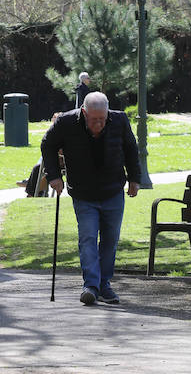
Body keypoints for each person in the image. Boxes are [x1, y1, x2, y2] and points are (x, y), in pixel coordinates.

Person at [41, 91, 141, 305]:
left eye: (103, 119)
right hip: (83, 192)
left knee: (110, 240)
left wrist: (134, 179)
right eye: (94, 119)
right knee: (87, 238)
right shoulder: (66, 122)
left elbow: (131, 149)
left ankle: (104, 284)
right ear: (84, 112)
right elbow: (47, 145)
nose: (99, 123)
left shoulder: (119, 120)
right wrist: (54, 177)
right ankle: (91, 286)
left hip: (113, 190)